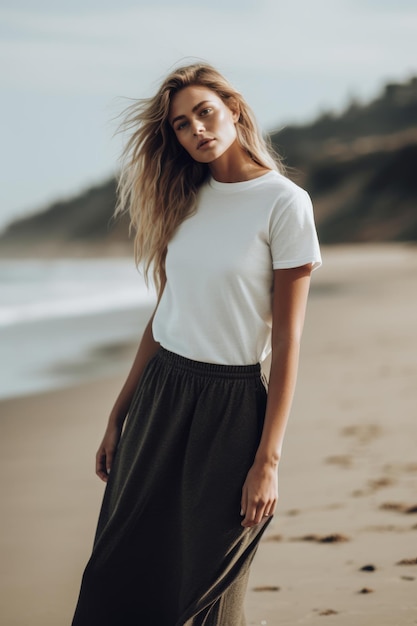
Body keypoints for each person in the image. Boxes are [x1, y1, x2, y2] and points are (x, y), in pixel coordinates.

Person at [71, 62, 321, 626]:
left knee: (206, 583)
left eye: (204, 113)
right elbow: (166, 312)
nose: (197, 131)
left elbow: (288, 339)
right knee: (119, 570)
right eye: (182, 126)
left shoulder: (285, 204)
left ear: (233, 109)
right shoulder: (188, 197)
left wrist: (268, 460)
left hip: (231, 408)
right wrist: (120, 412)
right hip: (161, 395)